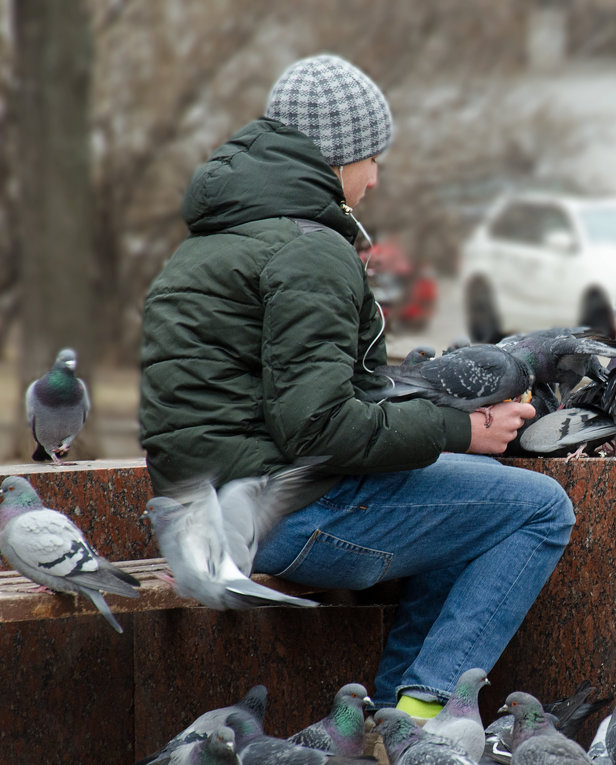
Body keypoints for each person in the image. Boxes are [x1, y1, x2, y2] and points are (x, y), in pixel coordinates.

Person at [138, 54, 575, 721]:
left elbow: (283, 401)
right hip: (289, 515)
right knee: (540, 508)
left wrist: (431, 422)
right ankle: (429, 711)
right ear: (338, 158)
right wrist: (465, 429)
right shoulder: (309, 250)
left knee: (451, 497)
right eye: (372, 156)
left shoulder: (210, 244)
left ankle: (387, 720)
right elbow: (316, 428)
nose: (376, 177)